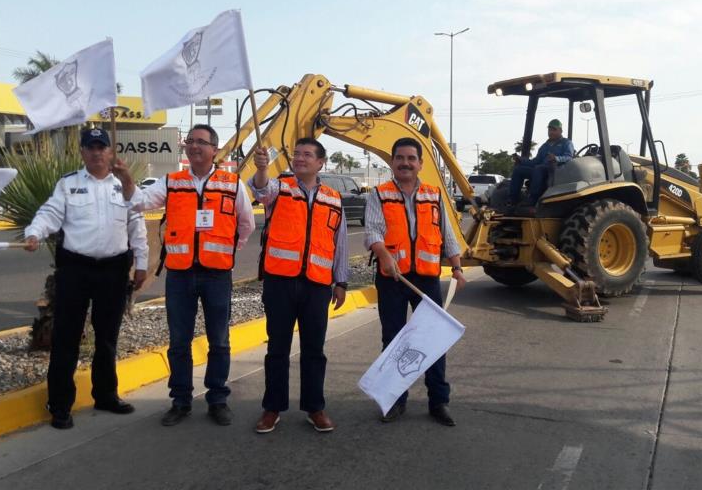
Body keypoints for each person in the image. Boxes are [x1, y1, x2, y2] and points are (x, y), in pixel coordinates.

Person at [116, 124, 254, 427]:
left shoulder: (233, 184)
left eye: (201, 142)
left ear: (215, 150)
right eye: (190, 141)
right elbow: (138, 202)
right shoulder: (172, 182)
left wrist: (228, 252)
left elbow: (246, 224)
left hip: (217, 274)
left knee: (219, 340)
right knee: (179, 342)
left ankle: (217, 399)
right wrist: (126, 178)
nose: (194, 146)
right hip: (180, 275)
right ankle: (180, 401)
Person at [23, 128, 148, 430]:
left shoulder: (125, 186)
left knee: (107, 337)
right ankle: (60, 405)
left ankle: (105, 395)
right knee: (66, 337)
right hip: (76, 270)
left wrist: (142, 262)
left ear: (110, 151)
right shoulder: (69, 184)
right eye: (90, 147)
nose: (96, 152)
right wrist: (34, 233)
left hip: (113, 270)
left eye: (101, 147)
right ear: (82, 152)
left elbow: (138, 221)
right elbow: (50, 213)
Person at [248, 138, 348, 434]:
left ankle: (315, 408)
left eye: (308, 155)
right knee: (277, 348)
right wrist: (262, 168)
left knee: (314, 350)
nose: (300, 158)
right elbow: (260, 189)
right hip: (280, 283)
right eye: (297, 154)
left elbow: (338, 244)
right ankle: (272, 408)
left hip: (317, 285)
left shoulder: (333, 198)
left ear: (320, 163)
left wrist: (340, 281)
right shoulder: (280, 187)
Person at [365, 137, 467, 426]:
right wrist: (383, 253)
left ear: (420, 164)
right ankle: (394, 400)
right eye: (400, 158)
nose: (405, 163)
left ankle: (439, 401)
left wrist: (457, 268)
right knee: (393, 340)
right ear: (393, 162)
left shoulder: (434, 195)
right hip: (392, 278)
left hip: (427, 278)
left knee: (433, 341)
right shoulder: (379, 194)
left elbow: (447, 234)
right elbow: (372, 231)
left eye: (411, 158)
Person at [508, 119, 574, 208]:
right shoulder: (545, 146)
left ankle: (533, 198)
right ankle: (513, 199)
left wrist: (556, 158)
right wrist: (521, 160)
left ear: (560, 131)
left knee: (538, 168)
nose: (551, 132)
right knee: (518, 170)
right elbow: (536, 161)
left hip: (555, 171)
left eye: (554, 130)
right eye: (550, 130)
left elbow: (569, 157)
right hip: (540, 170)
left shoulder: (566, 143)